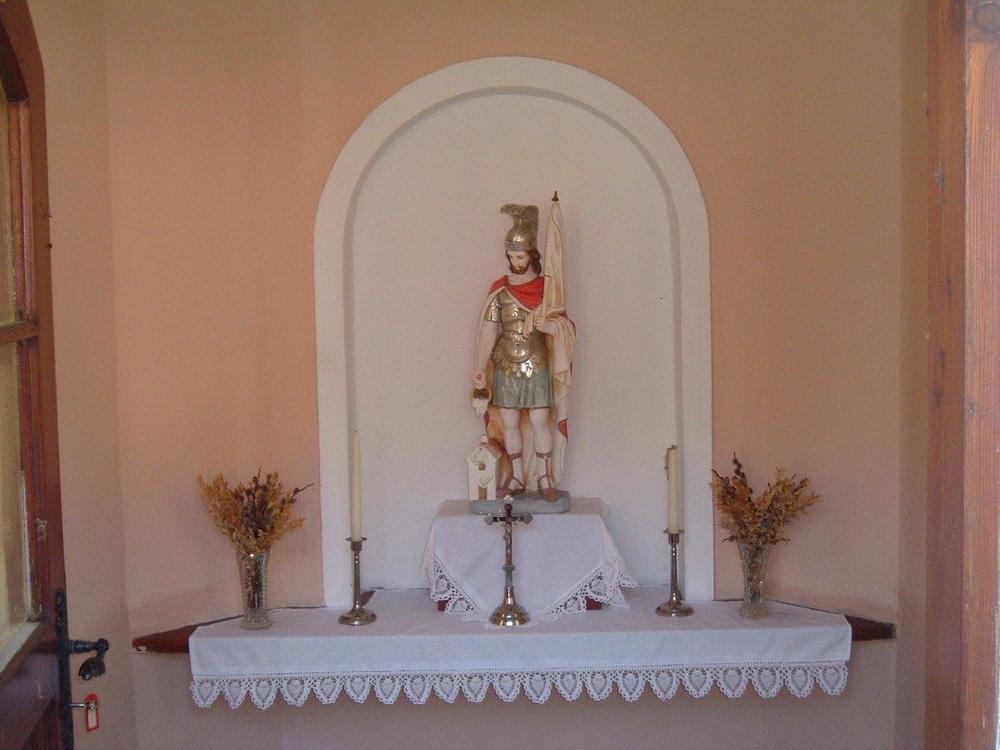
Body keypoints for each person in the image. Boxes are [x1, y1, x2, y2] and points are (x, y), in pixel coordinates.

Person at [471, 202, 574, 501]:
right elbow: (488, 330)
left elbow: (565, 327)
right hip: (505, 364)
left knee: (541, 422)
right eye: (511, 256)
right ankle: (516, 476)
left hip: (538, 363)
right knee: (510, 422)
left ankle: (544, 476)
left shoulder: (547, 291)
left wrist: (551, 326)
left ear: (531, 255)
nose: (514, 262)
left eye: (520, 256)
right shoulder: (499, 290)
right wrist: (479, 369)